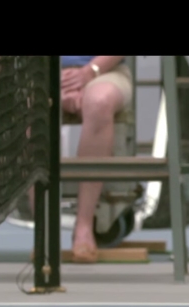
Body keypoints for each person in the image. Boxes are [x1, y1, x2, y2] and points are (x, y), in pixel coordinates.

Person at [59, 55, 133, 263]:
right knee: (32, 102)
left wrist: (89, 73)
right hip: (42, 71)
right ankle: (44, 228)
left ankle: (84, 225)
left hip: (106, 71)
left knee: (99, 102)